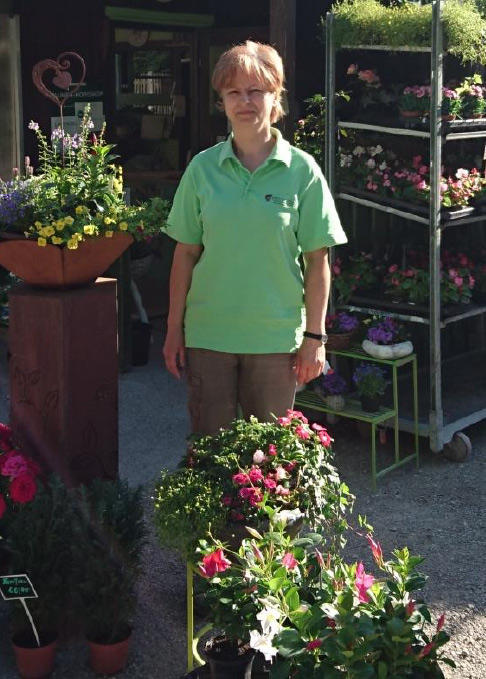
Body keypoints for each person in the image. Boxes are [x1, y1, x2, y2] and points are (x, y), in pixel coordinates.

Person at [163, 40, 347, 435]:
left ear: (275, 95)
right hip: (209, 336)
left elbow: (318, 260)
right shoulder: (202, 170)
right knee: (211, 452)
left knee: (268, 460)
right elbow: (185, 254)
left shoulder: (302, 170)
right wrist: (173, 328)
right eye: (233, 92)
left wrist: (314, 336)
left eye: (255, 91)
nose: (244, 101)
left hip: (275, 340)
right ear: (222, 101)